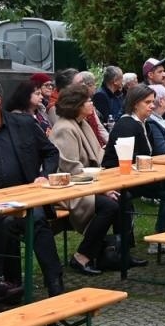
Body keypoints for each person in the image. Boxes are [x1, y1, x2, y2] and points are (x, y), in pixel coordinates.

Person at [0, 77, 65, 297]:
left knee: (34, 219)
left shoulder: (23, 124)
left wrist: (44, 176)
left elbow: (51, 152)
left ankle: (54, 282)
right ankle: (0, 283)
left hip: (25, 197)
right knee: (8, 221)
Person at [49, 85, 130, 277]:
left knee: (124, 196)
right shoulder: (64, 129)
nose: (91, 103)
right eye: (87, 101)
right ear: (76, 104)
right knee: (109, 206)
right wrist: (101, 190)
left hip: (89, 182)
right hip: (69, 188)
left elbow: (98, 155)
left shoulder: (82, 123)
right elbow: (70, 168)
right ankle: (82, 255)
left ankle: (120, 252)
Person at [105, 84, 165, 234]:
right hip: (120, 178)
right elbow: (127, 160)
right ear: (135, 104)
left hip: (138, 176)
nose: (152, 106)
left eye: (153, 102)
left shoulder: (143, 123)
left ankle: (164, 233)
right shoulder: (127, 125)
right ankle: (160, 234)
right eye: (147, 102)